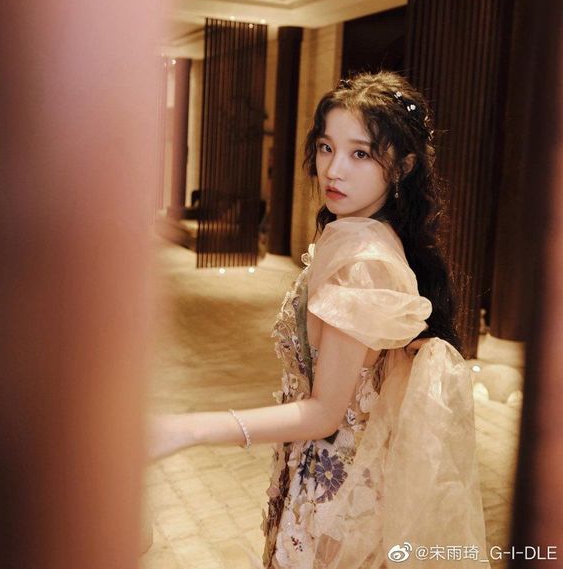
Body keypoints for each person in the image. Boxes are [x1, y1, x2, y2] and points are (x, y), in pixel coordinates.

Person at [147, 70, 488, 568]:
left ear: (404, 166)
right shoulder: (354, 234)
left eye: (360, 154)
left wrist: (189, 429)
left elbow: (326, 412)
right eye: (327, 147)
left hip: (337, 497)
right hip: (315, 470)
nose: (334, 170)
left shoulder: (363, 260)